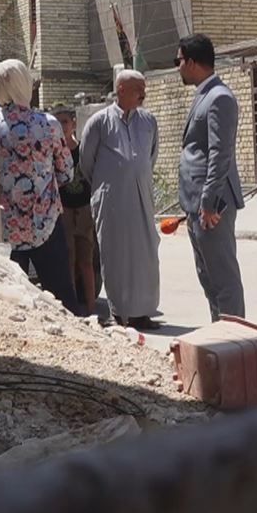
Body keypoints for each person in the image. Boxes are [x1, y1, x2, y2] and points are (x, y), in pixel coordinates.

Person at [0, 59, 80, 315]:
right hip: (45, 224)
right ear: (23, 83)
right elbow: (66, 172)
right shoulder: (48, 124)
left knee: (13, 302)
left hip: (4, 228)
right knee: (61, 299)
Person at [80, 69, 162, 330]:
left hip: (141, 196)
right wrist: (113, 181)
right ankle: (119, 312)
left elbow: (150, 156)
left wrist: (135, 175)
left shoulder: (148, 121)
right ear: (122, 90)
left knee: (145, 255)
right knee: (115, 254)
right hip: (111, 199)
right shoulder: (99, 122)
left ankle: (142, 313)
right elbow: (86, 162)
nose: (143, 95)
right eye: (139, 89)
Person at [176, 34, 245, 321]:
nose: (178, 67)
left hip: (212, 205)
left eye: (179, 61)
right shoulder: (204, 94)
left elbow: (220, 153)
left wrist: (208, 201)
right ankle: (220, 332)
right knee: (208, 277)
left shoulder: (220, 98)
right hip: (197, 203)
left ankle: (234, 338)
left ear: (192, 62)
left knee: (223, 279)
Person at [53, 105, 98, 317]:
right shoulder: (54, 151)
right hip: (64, 211)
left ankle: (91, 308)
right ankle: (72, 309)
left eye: (65, 122)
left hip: (84, 210)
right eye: (58, 122)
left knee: (86, 262)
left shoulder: (82, 151)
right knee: (68, 260)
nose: (62, 126)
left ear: (73, 123)